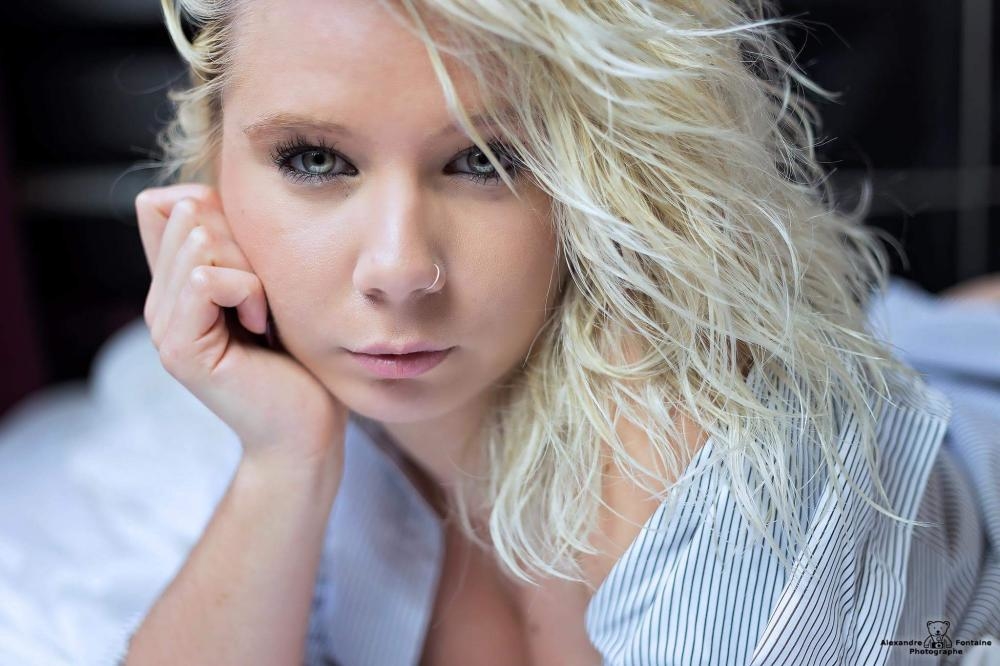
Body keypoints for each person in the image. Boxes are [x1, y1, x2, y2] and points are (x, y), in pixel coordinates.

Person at [114, 0, 1000, 664]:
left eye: (485, 159)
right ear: (214, 162)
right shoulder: (318, 409)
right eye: (314, 159)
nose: (397, 267)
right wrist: (285, 460)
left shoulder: (712, 458)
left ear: (604, 166)